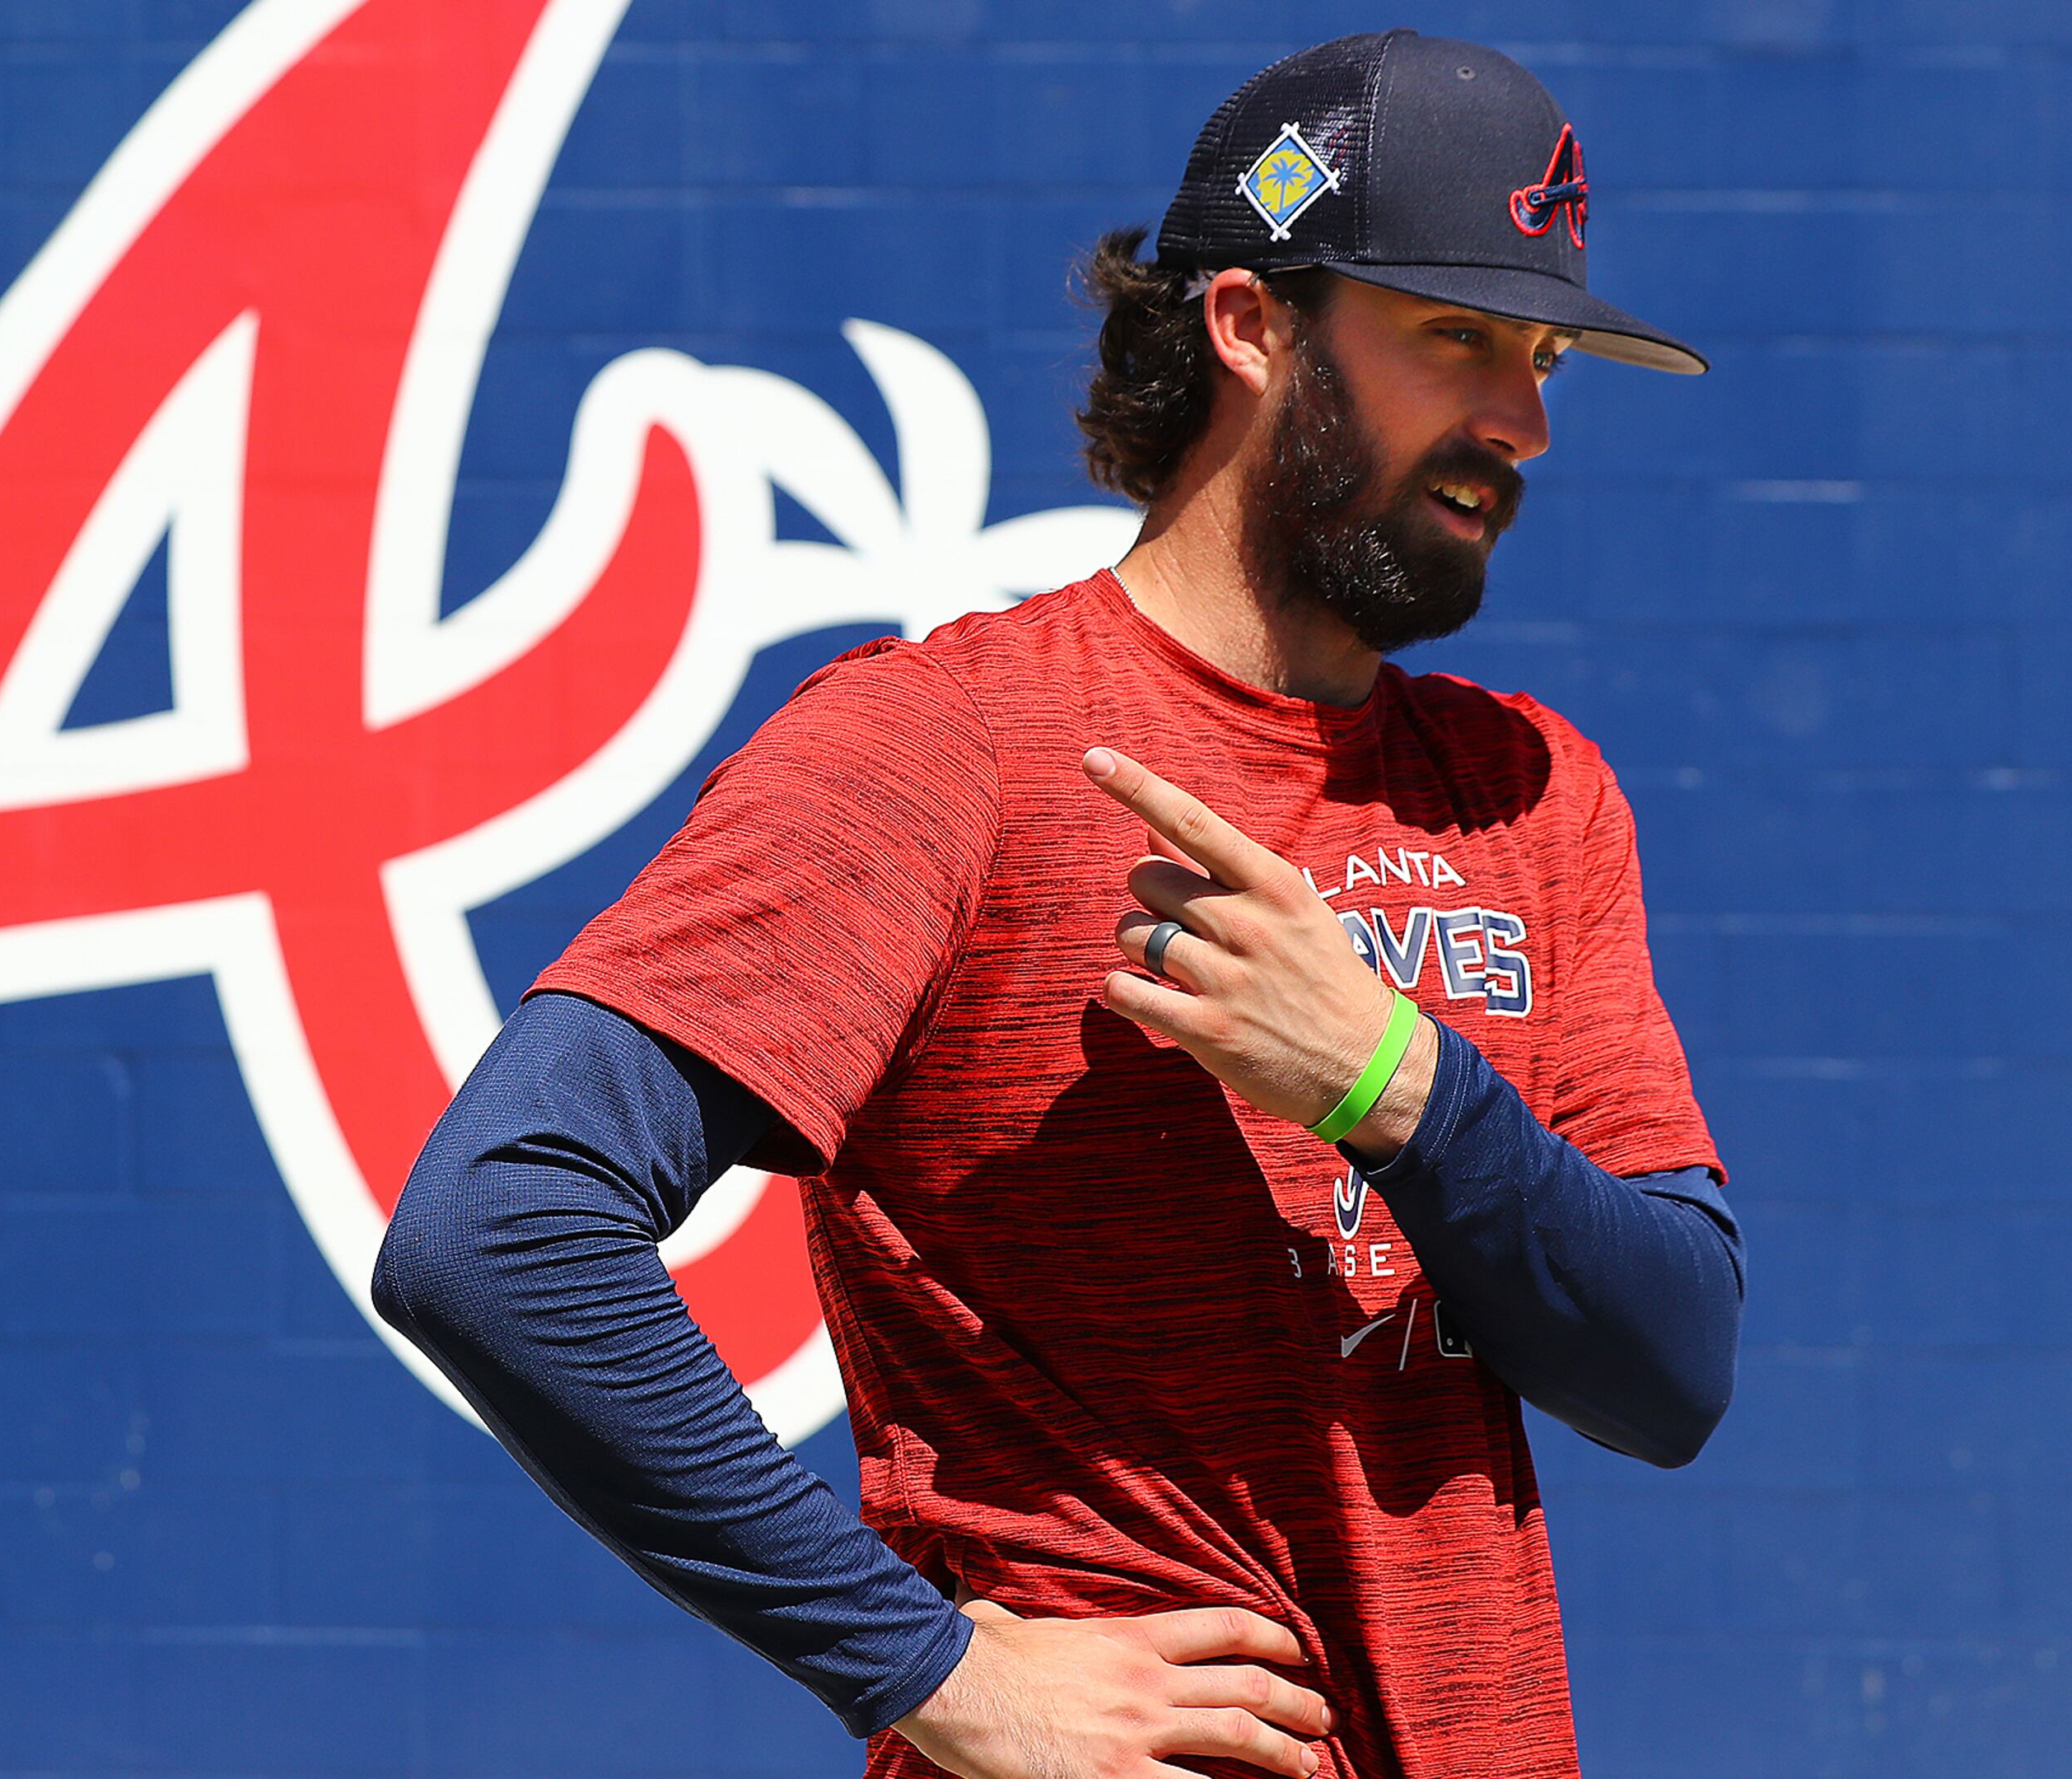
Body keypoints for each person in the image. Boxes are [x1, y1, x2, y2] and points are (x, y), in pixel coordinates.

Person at [368, 30, 1744, 1779]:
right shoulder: (951, 747)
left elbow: (1671, 1365)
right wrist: (923, 1666)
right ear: (1254, 326)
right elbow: (498, 1229)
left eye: (1544, 357)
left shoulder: (1534, 791)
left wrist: (1394, 1081)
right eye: (1457, 340)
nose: (1523, 423)